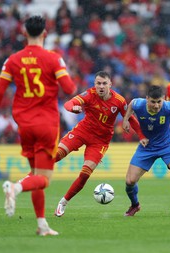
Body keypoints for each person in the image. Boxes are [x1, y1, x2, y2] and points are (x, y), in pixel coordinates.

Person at [0, 15, 77, 235]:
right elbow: (69, 88)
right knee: (43, 179)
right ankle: (15, 187)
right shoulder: (53, 58)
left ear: (24, 34)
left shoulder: (13, 60)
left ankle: (42, 224)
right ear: (45, 34)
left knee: (35, 174)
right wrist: (60, 71)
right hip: (46, 123)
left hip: (24, 124)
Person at [55, 70, 146, 217]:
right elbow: (68, 103)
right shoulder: (89, 94)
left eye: (104, 83)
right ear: (94, 84)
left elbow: (130, 118)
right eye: (98, 83)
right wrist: (73, 108)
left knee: (85, 174)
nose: (101, 86)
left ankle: (63, 202)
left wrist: (141, 135)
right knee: (56, 155)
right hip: (82, 132)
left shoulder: (119, 101)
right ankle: (29, 177)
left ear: (110, 84)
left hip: (100, 141)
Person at [122, 85, 170, 217]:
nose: (156, 106)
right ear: (147, 99)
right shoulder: (139, 104)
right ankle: (135, 205)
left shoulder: (168, 107)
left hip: (167, 145)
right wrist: (126, 119)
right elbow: (132, 104)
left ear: (164, 100)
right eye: (153, 102)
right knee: (130, 182)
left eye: (159, 102)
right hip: (147, 147)